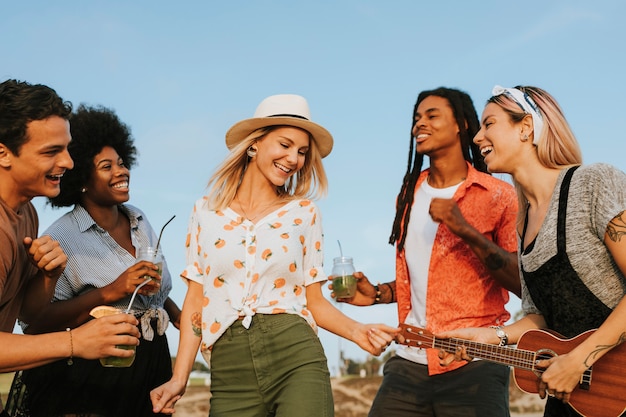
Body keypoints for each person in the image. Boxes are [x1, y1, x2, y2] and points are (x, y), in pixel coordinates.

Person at [150, 94, 399, 416]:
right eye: (285, 145)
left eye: (302, 152)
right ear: (254, 145)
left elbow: (315, 301)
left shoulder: (304, 213)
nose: (294, 158)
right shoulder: (205, 212)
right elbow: (197, 301)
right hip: (229, 367)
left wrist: (357, 331)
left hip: (295, 353)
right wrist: (179, 378)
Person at [333, 87, 521, 417]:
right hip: (410, 359)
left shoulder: (499, 195)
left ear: (461, 124)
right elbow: (425, 278)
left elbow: (520, 281)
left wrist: (464, 229)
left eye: (432, 116)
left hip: (474, 360)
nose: (420, 124)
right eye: (416, 118)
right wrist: (377, 293)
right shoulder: (409, 193)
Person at [440, 85, 626, 417]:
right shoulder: (523, 224)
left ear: (526, 128)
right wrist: (488, 337)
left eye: (489, 123)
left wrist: (580, 359)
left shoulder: (593, 183)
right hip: (575, 394)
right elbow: (541, 318)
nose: (478, 137)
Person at [15, 104, 183, 417]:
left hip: (151, 364)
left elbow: (151, 288)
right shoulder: (61, 237)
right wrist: (113, 289)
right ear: (81, 179)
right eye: (107, 166)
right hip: (95, 377)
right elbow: (37, 324)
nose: (121, 171)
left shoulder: (139, 219)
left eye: (121, 163)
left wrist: (175, 314)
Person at [0, 80, 140, 415]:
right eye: (51, 152)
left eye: (67, 148)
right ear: (3, 153)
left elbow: (28, 316)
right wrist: (77, 342)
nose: (69, 162)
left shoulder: (27, 213)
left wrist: (49, 277)